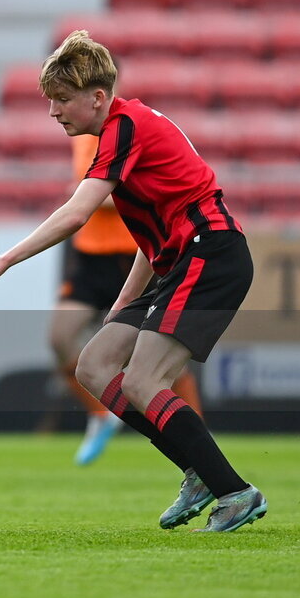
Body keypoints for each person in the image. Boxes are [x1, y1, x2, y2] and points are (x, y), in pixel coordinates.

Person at [0, 30, 266, 532]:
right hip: (181, 258)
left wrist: (1, 263)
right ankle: (199, 471)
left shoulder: (124, 126)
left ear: (97, 98)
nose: (54, 112)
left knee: (144, 380)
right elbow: (153, 235)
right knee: (95, 365)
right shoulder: (125, 129)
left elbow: (78, 213)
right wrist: (125, 305)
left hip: (211, 253)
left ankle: (232, 490)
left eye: (61, 100)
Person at [52, 134, 202, 466]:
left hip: (134, 255)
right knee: (60, 337)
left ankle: (199, 439)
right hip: (91, 257)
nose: (57, 110)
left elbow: (134, 191)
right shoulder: (79, 136)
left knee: (166, 355)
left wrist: (83, 197)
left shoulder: (125, 132)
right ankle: (102, 416)